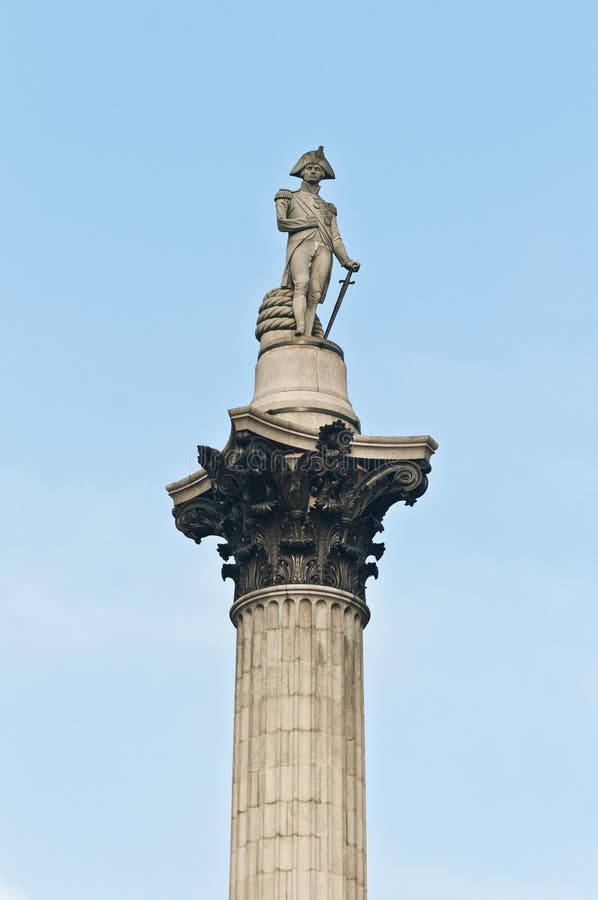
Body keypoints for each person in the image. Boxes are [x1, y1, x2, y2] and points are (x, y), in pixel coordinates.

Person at [275, 146, 360, 337]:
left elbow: (335, 237)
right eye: (309, 168)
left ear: (322, 175)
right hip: (300, 243)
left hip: (324, 248)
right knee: (301, 284)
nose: (313, 171)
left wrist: (345, 260)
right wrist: (304, 222)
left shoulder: (328, 208)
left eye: (317, 169)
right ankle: (300, 327)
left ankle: (308, 335)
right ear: (302, 172)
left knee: (315, 293)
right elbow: (282, 223)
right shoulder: (288, 196)